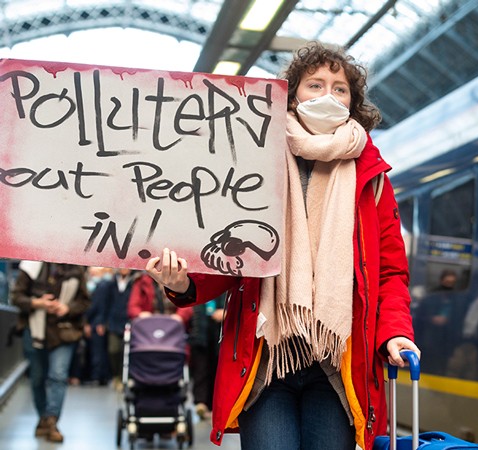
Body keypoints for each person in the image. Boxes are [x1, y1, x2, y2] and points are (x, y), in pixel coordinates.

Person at [146, 42, 419, 450]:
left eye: (340, 88)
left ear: (353, 101)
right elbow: (227, 252)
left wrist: (395, 333)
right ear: (290, 96)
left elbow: (392, 273)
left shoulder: (372, 178)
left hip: (337, 366)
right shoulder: (253, 161)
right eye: (315, 84)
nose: (328, 95)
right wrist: (184, 282)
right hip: (267, 361)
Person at [11, 261, 90, 443]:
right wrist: (38, 303)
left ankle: (51, 420)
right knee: (37, 378)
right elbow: (16, 297)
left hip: (64, 330)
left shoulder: (76, 267)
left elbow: (85, 300)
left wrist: (67, 308)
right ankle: (43, 418)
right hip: (35, 329)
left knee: (58, 375)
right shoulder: (30, 266)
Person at [90, 268, 138, 390]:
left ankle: (124, 378)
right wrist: (101, 322)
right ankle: (116, 375)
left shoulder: (135, 282)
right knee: (113, 350)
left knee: (126, 351)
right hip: (113, 322)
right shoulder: (110, 283)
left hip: (129, 322)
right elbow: (104, 304)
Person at [188, 294, 225, 420]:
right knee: (200, 367)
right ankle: (201, 402)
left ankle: (214, 405)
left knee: (217, 367)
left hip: (219, 330)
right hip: (199, 330)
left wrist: (226, 312)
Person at [127, 274, 192, 326]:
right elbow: (133, 306)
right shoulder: (142, 281)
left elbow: (187, 303)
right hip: (149, 326)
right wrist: (140, 314)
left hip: (173, 327)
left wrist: (179, 316)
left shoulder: (178, 279)